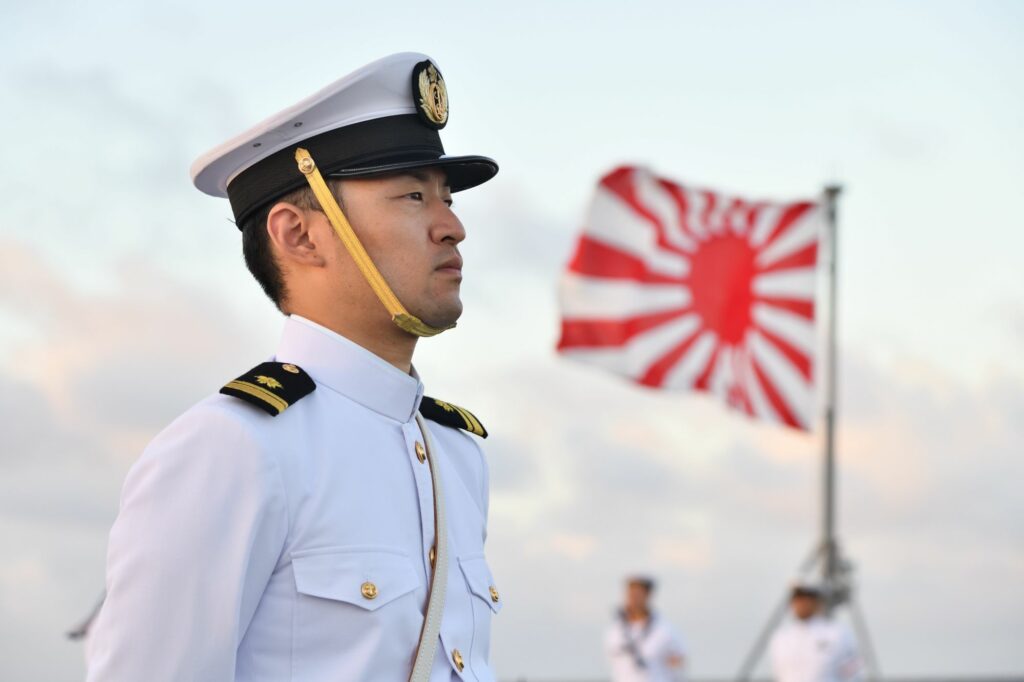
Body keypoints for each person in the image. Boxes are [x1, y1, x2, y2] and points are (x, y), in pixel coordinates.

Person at [85, 52, 502, 682]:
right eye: (414, 196)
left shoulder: (455, 453)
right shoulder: (231, 447)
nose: (452, 226)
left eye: (445, 197)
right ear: (300, 236)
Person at [769, 581, 864, 682]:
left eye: (805, 597)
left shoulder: (838, 634)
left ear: (816, 601)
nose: (800, 603)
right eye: (796, 598)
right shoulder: (782, 638)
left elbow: (854, 675)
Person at [604, 576, 687, 682]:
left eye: (638, 595)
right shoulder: (615, 631)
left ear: (648, 596)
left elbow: (678, 665)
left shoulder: (664, 630)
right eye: (631, 594)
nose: (634, 599)